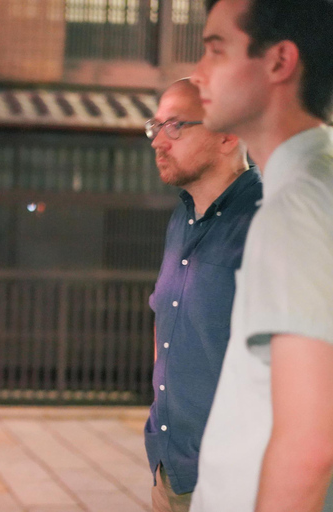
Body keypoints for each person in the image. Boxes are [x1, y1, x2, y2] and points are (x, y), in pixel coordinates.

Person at [189, 0, 333, 510]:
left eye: (215, 50)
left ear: (279, 61)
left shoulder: (295, 207)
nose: (198, 73)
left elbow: (308, 447)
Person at [144, 78, 260, 512]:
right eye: (154, 126)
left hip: (240, 481)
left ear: (228, 134)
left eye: (174, 126)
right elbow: (166, 317)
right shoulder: (183, 215)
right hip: (172, 468)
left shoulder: (269, 218)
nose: (158, 140)